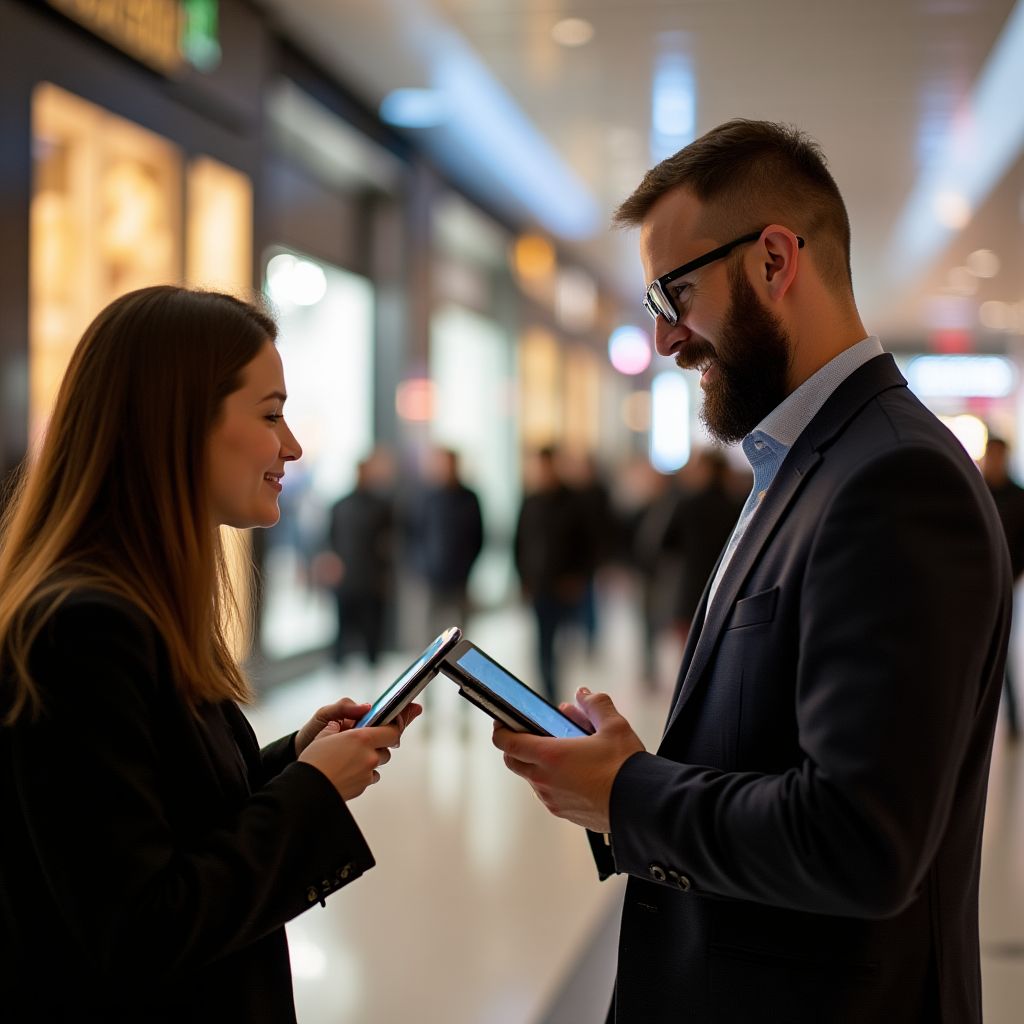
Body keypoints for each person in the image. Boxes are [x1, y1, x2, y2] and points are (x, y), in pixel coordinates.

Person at [492, 120, 1011, 1022]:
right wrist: (624, 775)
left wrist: (627, 793)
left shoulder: (894, 477)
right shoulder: (805, 460)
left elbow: (860, 841)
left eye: (674, 294)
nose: (666, 340)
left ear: (775, 260)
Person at [0, 286, 419, 1023]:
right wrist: (312, 795)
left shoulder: (134, 606)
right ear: (178, 425)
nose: (291, 446)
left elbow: (162, 816)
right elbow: (140, 926)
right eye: (269, 415)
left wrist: (296, 759)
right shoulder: (80, 629)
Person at [513, 446, 592, 702]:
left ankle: (563, 691)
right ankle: (549, 694)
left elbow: (587, 543)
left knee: (565, 641)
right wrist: (522, 578)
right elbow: (519, 542)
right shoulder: (531, 501)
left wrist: (578, 576)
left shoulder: (573, 501)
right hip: (539, 585)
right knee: (542, 643)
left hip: (564, 586)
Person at [661, 447, 743, 644]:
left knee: (688, 656)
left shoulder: (688, 505)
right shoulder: (737, 506)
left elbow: (666, 543)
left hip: (691, 592)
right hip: (726, 591)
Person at [326, 457, 395, 666]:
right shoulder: (340, 506)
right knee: (343, 629)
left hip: (371, 578)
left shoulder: (381, 507)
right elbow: (330, 540)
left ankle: (370, 671)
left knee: (372, 632)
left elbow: (389, 545)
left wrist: (385, 575)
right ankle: (340, 670)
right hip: (348, 578)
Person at [412, 446, 484, 638]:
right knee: (431, 629)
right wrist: (422, 566)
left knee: (462, 628)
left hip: (460, 575)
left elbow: (478, 536)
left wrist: (467, 565)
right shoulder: (426, 498)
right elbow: (414, 535)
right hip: (433, 574)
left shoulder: (469, 497)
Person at [980, 434, 1024, 738]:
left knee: (1000, 647)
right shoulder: (976, 488)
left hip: (1006, 582)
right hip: (975, 582)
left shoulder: (1019, 497)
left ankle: (1011, 719)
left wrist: (1012, 575)